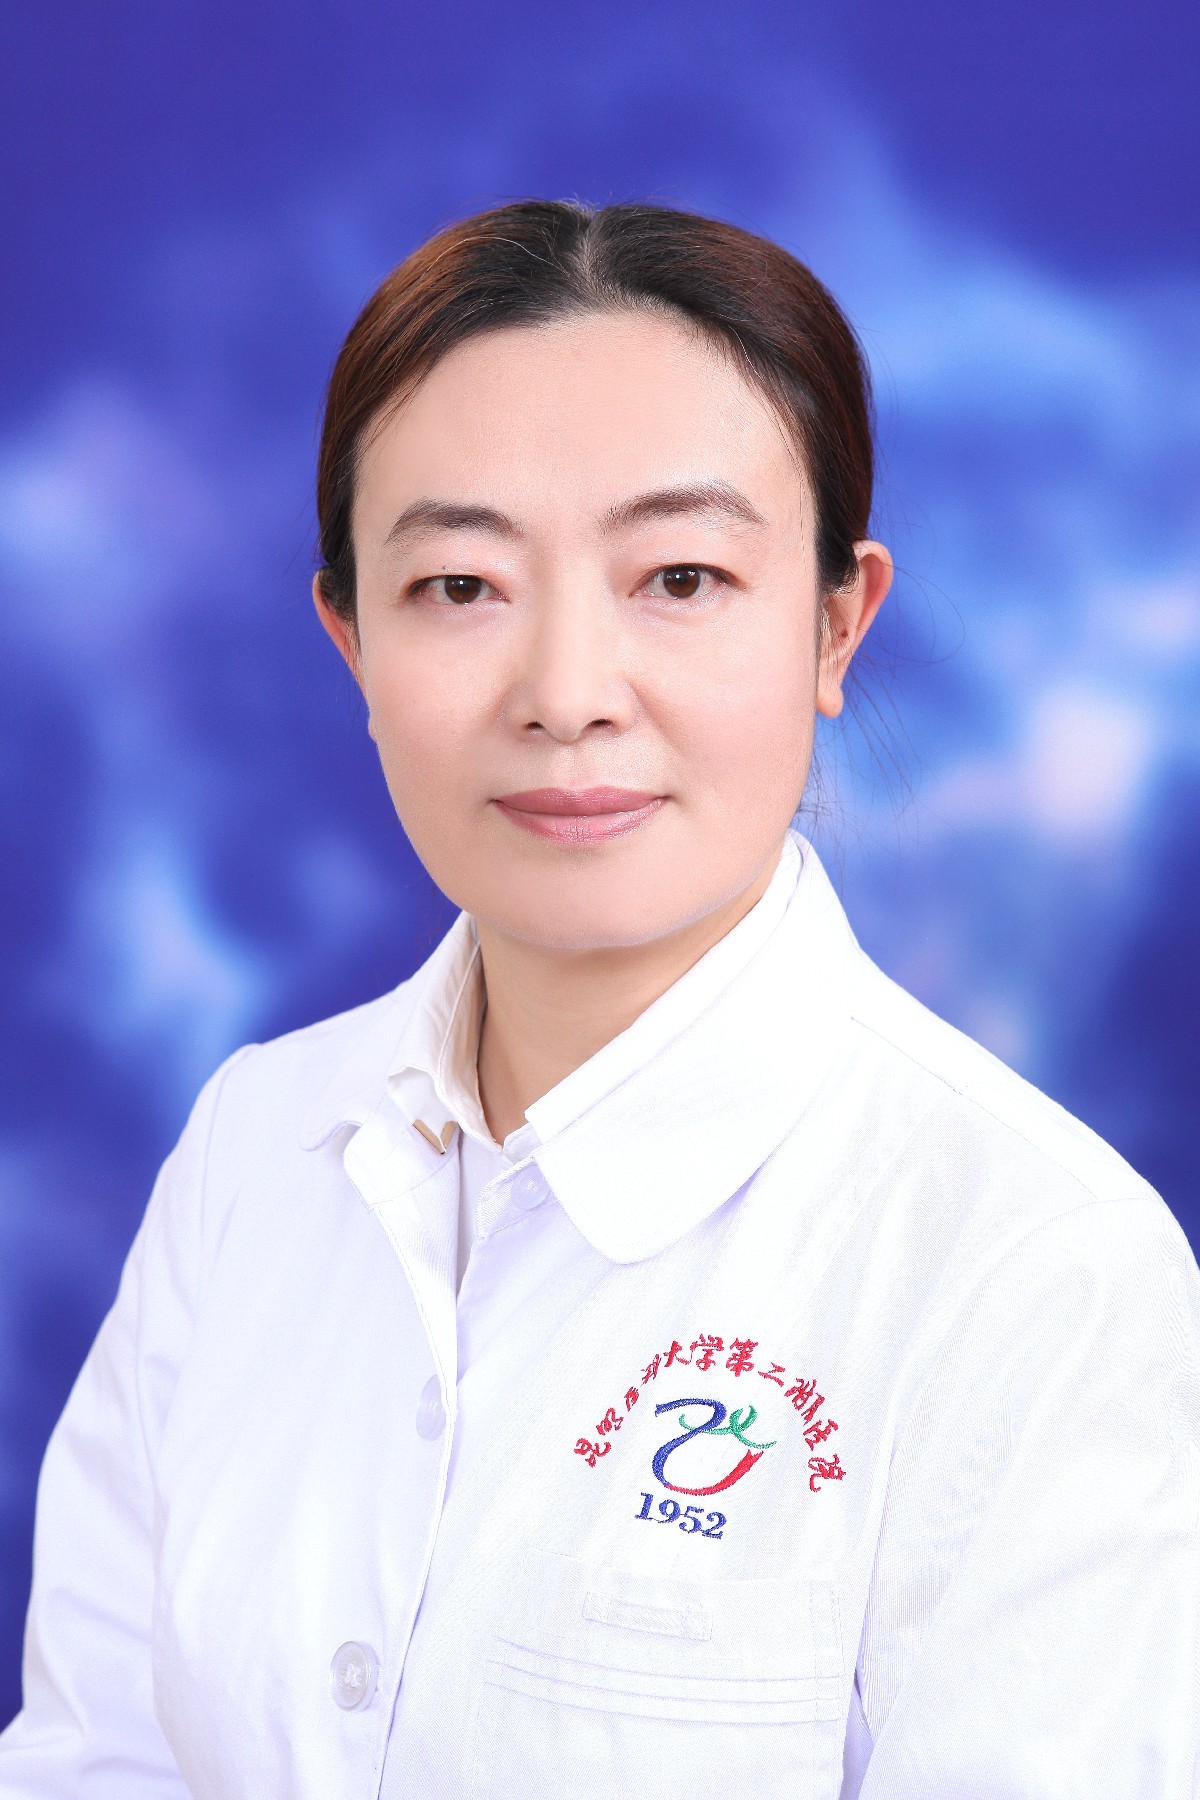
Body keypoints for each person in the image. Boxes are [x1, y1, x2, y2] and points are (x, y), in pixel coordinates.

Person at [1, 199, 1197, 1800]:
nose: (567, 695)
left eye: (681, 576)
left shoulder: (1037, 1264)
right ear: (348, 638)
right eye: (459, 587)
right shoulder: (254, 1147)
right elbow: (93, 1760)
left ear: (836, 623)